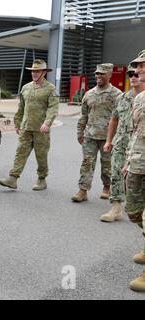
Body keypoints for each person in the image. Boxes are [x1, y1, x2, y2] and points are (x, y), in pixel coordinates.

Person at [0, 59, 58, 191]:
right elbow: (21, 108)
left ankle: (42, 179)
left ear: (44, 73)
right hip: (26, 127)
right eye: (33, 71)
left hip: (41, 129)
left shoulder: (50, 89)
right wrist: (17, 123)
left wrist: (47, 123)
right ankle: (13, 179)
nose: (34, 74)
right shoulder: (26, 87)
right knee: (20, 152)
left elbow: (53, 108)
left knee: (41, 155)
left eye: (37, 71)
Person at [100, 64, 145, 222]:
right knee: (116, 175)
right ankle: (116, 207)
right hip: (121, 143)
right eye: (130, 74)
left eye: (135, 74)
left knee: (137, 179)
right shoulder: (122, 98)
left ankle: (138, 210)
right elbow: (114, 119)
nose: (133, 77)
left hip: (140, 147)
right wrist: (108, 141)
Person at [72, 63, 122, 202]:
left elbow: (121, 118)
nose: (98, 76)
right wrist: (80, 132)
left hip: (108, 137)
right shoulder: (89, 94)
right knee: (87, 163)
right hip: (90, 135)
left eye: (101, 73)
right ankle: (83, 190)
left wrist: (117, 138)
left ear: (110, 75)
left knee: (107, 165)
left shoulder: (117, 95)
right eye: (96, 73)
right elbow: (83, 115)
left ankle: (107, 187)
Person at [123, 50, 145, 291]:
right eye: (137, 66)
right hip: (138, 161)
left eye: (142, 66)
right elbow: (134, 132)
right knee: (134, 212)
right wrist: (128, 160)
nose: (137, 70)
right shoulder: (139, 99)